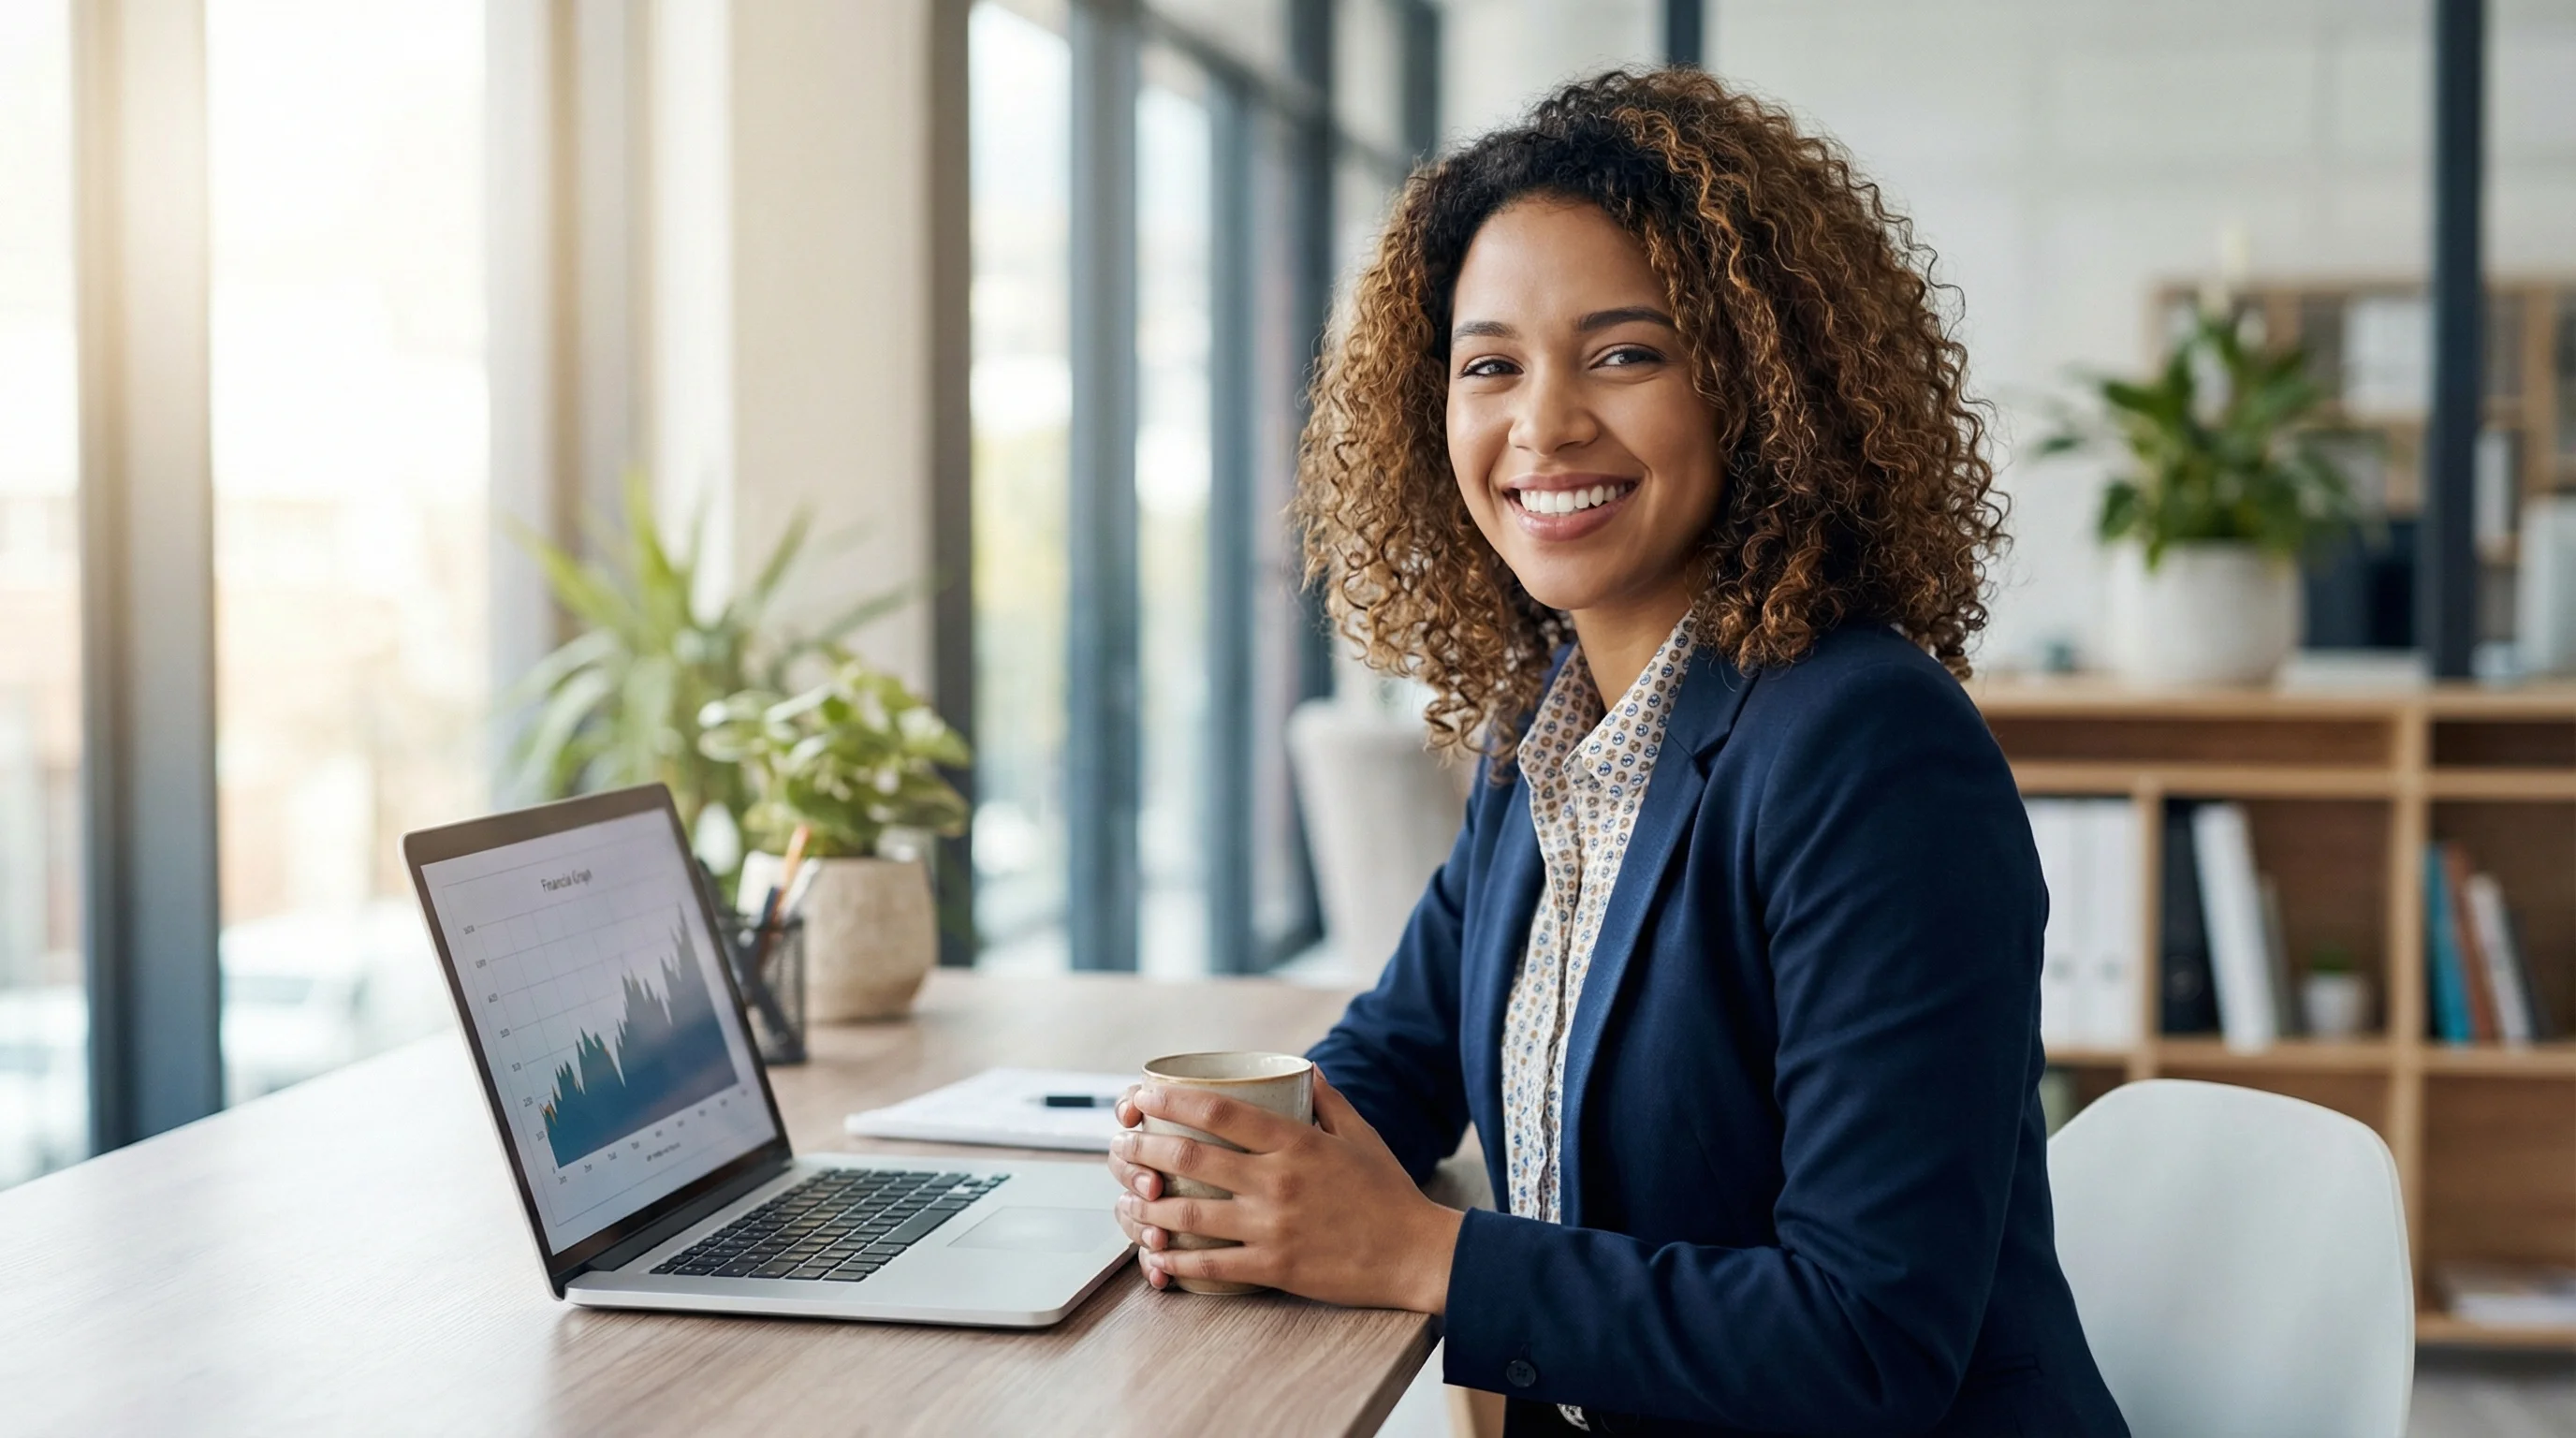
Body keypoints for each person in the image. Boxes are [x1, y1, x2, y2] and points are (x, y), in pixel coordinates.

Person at [1106, 68, 2128, 1437]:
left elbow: (1867, 1345)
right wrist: (1223, 1157)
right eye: (1490, 366)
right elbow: (1398, 1064)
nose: (1543, 426)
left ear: (1760, 388)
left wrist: (1415, 1252)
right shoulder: (1553, 722)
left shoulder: (1868, 749)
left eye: (1623, 353)